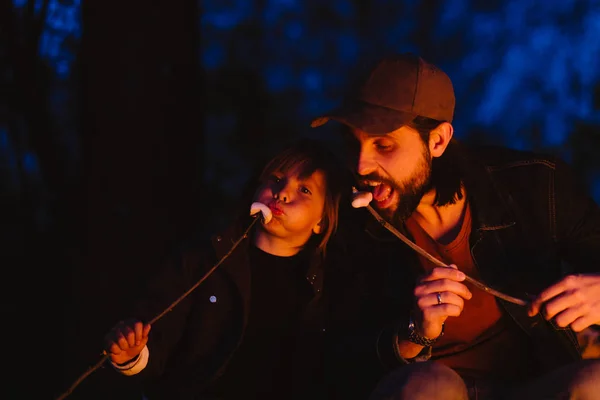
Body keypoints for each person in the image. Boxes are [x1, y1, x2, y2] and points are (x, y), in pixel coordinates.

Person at [311, 53, 600, 399]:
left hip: (535, 384)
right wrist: (412, 333)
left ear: (438, 140)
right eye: (353, 143)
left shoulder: (536, 186)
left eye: (383, 145)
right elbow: (331, 357)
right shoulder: (351, 222)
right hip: (431, 387)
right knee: (428, 385)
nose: (361, 165)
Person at [103, 138, 352, 399]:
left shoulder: (329, 286)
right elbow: (157, 336)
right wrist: (132, 354)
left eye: (305, 190)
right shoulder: (201, 261)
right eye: (276, 179)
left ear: (321, 221)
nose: (283, 193)